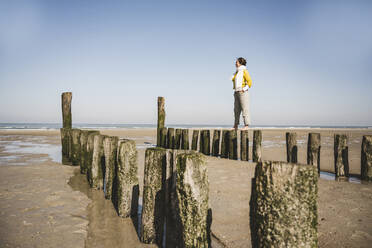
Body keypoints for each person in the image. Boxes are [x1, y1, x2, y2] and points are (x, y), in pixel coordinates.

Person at [231, 57, 252, 130]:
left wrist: (244, 89)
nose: (235, 63)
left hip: (243, 92)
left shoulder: (244, 71)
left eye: (236, 62)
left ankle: (246, 125)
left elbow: (250, 82)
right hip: (236, 92)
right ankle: (235, 125)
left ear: (240, 63)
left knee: (244, 109)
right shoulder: (237, 72)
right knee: (236, 110)